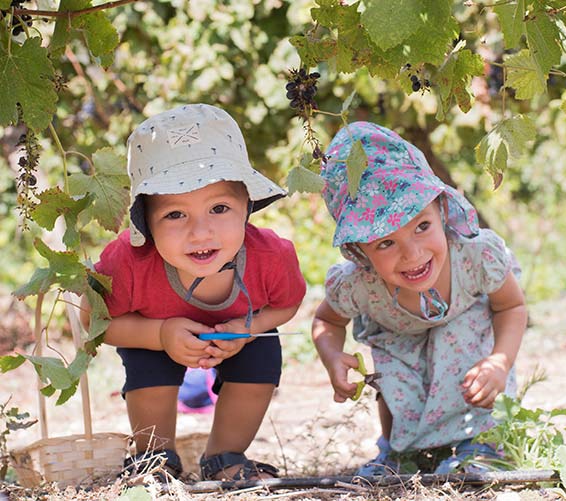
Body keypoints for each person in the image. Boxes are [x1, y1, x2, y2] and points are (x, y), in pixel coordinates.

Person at [81, 104, 306, 481]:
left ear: (247, 207)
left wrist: (252, 325)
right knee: (147, 367)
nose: (201, 232)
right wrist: (159, 335)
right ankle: (155, 460)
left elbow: (289, 303)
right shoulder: (130, 263)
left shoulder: (271, 256)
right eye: (175, 215)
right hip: (151, 335)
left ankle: (226, 457)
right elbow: (94, 321)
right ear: (146, 223)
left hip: (239, 334)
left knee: (263, 353)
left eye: (219, 208)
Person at [311, 122, 527, 475]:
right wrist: (332, 356)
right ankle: (400, 451)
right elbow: (327, 322)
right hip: (402, 344)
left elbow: (511, 307)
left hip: (468, 346)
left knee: (461, 333)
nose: (412, 254)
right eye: (385, 242)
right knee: (392, 358)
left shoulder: (473, 257)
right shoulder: (359, 284)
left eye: (421, 226)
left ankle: (483, 444)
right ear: (359, 250)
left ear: (441, 211)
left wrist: (499, 362)